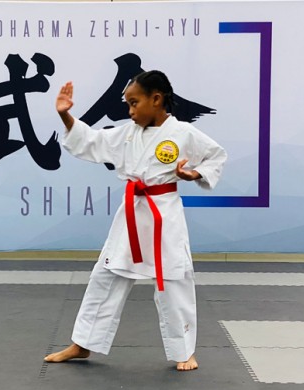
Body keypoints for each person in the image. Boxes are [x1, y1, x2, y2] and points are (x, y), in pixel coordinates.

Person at [45, 71, 227, 371]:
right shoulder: (127, 134)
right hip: (132, 212)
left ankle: (184, 351)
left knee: (174, 278)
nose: (130, 111)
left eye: (134, 103)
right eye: (128, 104)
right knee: (105, 275)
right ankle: (83, 343)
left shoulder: (183, 133)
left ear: (156, 99)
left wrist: (193, 173)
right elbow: (91, 140)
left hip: (164, 215)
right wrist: (66, 116)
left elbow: (216, 157)